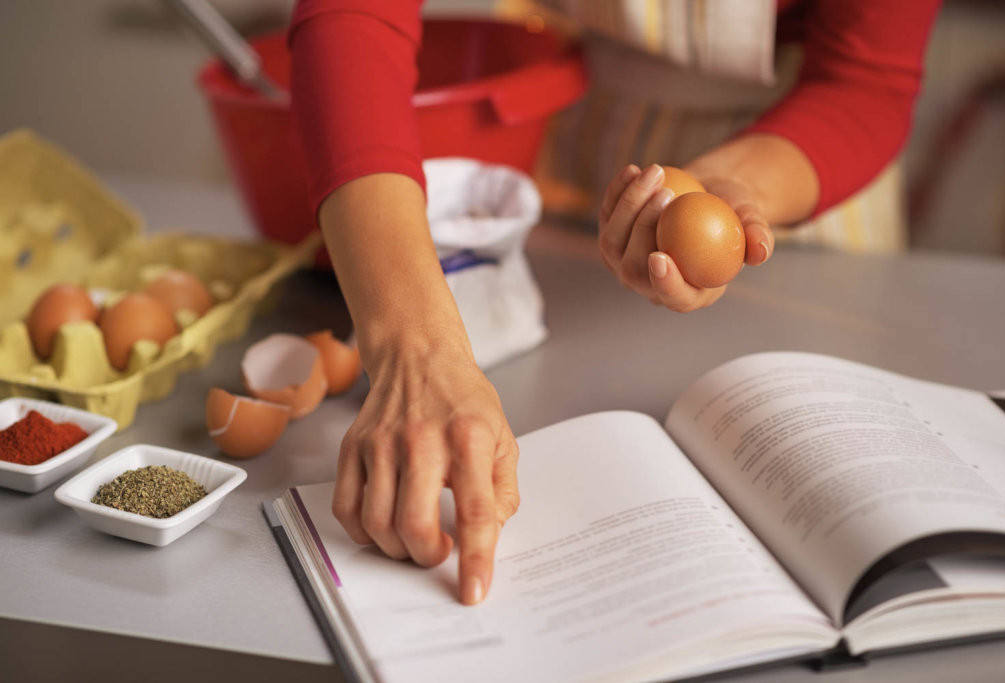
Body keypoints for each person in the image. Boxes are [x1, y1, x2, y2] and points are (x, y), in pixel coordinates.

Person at [287, 0, 940, 605]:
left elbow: (865, 83)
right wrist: (414, 349)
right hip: (583, 147)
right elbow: (355, 17)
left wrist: (736, 188)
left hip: (793, 174)